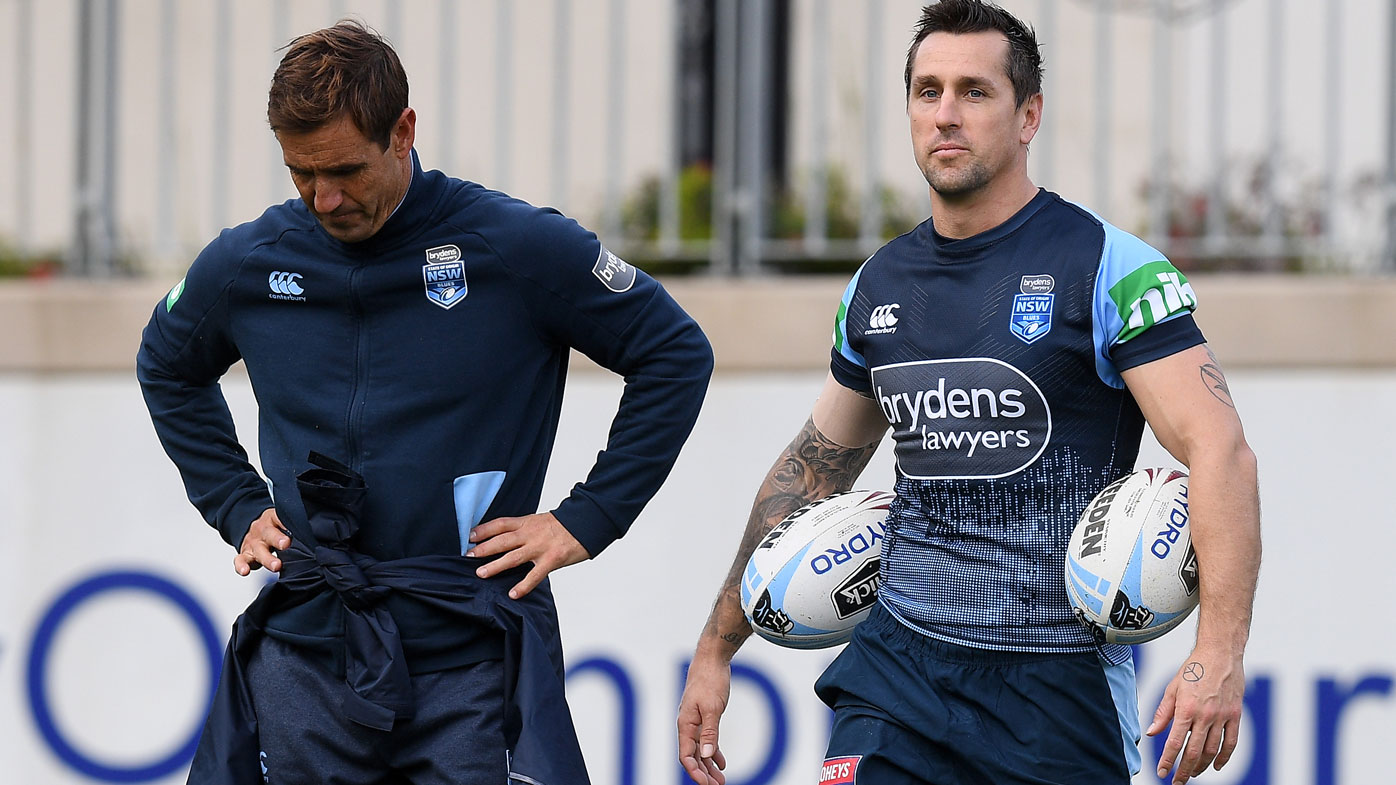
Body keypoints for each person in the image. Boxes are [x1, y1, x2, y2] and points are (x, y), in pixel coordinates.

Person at [676, 2, 1259, 784]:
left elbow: (1220, 449)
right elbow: (814, 468)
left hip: (1055, 689)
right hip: (897, 674)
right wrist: (716, 647)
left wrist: (1218, 652)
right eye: (928, 91)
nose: (945, 114)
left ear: (1028, 116)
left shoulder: (1108, 267)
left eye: (974, 92)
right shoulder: (879, 284)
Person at [138, 20, 712, 785]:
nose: (323, 197)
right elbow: (165, 363)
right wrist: (235, 501)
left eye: (345, 169)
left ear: (403, 131)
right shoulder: (249, 262)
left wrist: (589, 517)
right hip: (303, 659)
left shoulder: (515, 246)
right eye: (301, 173)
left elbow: (674, 352)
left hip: (472, 665)